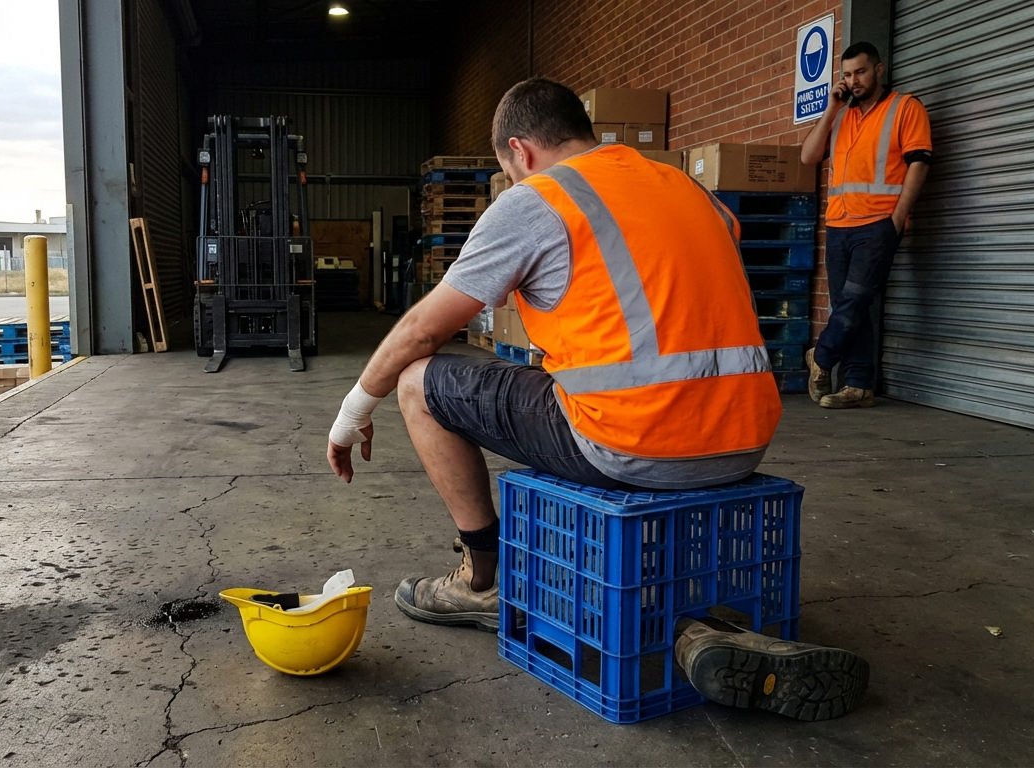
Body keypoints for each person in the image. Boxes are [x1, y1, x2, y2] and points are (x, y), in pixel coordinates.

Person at [328, 78, 867, 720]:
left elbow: (423, 329)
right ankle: (698, 632)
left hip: (630, 441)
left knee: (419, 378)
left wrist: (353, 411)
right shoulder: (685, 185)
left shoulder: (538, 200)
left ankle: (485, 581)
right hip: (744, 439)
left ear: (521, 152)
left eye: (506, 168)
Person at [801, 41, 933, 408]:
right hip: (839, 223)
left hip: (878, 222)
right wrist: (830, 109)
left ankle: (822, 356)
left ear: (879, 69)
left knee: (855, 299)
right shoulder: (841, 115)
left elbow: (919, 163)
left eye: (859, 72)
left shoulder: (906, 108)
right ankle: (858, 385)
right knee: (850, 306)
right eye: (846, 74)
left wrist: (897, 218)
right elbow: (808, 156)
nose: (853, 80)